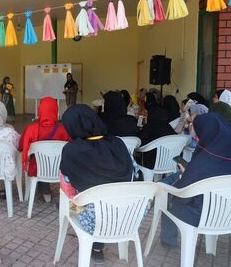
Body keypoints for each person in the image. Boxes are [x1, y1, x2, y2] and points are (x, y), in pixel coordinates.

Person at [60, 104, 134, 263]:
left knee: (69, 202)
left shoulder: (71, 150)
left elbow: (67, 188)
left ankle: (93, 243)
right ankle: (98, 247)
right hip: (127, 214)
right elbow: (133, 172)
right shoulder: (118, 143)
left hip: (92, 218)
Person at [160, 113, 231, 248]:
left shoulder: (204, 159)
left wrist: (187, 174)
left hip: (202, 214)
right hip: (227, 214)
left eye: (198, 132)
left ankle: (168, 240)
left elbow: (183, 194)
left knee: (168, 197)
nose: (196, 137)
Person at [19, 97, 70, 202]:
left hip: (37, 169)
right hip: (59, 169)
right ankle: (46, 191)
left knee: (37, 161)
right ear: (56, 111)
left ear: (40, 110)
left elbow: (21, 147)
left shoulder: (31, 129)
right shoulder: (64, 130)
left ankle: (43, 190)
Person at [135, 93, 176, 169]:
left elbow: (139, 142)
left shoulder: (149, 127)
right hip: (169, 162)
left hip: (152, 163)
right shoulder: (168, 127)